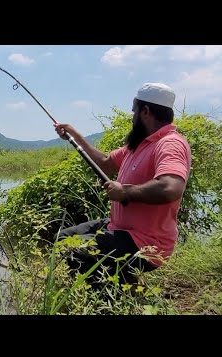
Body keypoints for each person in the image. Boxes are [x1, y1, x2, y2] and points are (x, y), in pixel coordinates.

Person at [53, 83, 191, 285]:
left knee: (75, 252)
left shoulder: (170, 143)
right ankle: (126, 283)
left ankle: (108, 299)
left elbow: (170, 187)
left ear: (145, 111)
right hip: (120, 228)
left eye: (134, 111)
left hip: (147, 243)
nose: (132, 116)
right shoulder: (138, 144)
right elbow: (106, 163)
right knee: (62, 239)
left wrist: (125, 192)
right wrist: (75, 136)